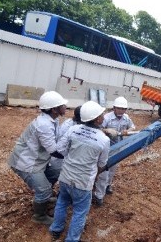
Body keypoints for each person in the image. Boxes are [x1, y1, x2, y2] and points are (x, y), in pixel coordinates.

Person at [49, 101, 110, 242]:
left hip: (65, 177)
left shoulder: (73, 129)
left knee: (62, 203)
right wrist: (94, 175)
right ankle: (72, 239)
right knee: (80, 212)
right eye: (101, 115)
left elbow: (61, 149)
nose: (103, 117)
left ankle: (56, 229)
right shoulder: (103, 139)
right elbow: (102, 164)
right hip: (82, 183)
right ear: (96, 119)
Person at [7, 91, 68, 225]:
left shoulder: (53, 120)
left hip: (37, 160)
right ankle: (39, 216)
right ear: (54, 109)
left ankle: (43, 195)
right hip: (26, 162)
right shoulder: (44, 125)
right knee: (45, 190)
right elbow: (53, 150)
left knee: (56, 171)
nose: (65, 107)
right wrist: (71, 156)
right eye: (63, 105)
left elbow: (57, 141)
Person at [93, 96, 135, 206]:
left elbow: (133, 127)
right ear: (114, 108)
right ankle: (99, 195)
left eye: (123, 109)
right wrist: (106, 131)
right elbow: (97, 129)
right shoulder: (107, 117)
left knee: (112, 169)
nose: (121, 111)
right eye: (119, 108)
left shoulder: (126, 118)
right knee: (104, 172)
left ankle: (108, 185)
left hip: (118, 147)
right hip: (105, 148)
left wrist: (127, 131)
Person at [45, 106, 82, 186]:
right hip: (59, 158)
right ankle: (46, 193)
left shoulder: (76, 124)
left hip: (67, 157)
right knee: (53, 175)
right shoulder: (68, 127)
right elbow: (60, 146)